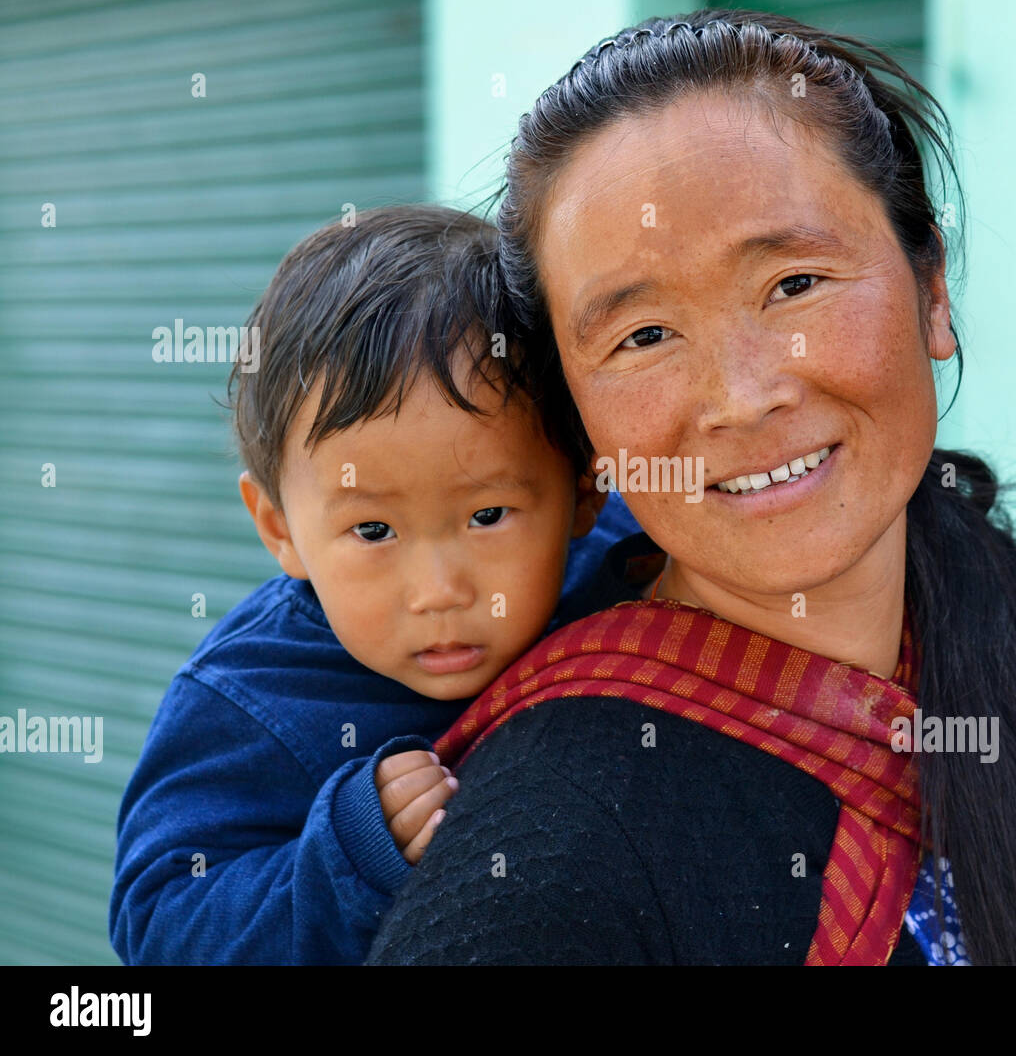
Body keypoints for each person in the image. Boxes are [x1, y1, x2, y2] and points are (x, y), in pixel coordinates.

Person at [367, 10, 1016, 966]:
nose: (744, 398)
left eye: (795, 283)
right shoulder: (540, 863)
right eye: (642, 337)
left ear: (933, 289)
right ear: (580, 423)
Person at [109, 206, 639, 965]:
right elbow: (159, 922)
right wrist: (349, 853)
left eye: (488, 514)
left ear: (583, 491)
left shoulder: (631, 561)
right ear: (280, 527)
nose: (437, 590)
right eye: (373, 531)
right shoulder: (252, 697)